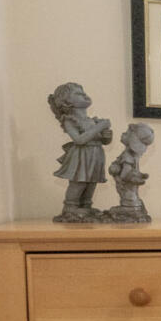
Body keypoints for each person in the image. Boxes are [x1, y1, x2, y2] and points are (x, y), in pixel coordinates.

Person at [47, 82, 113, 222]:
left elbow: (102, 140)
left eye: (83, 92)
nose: (84, 95)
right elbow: (79, 139)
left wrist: (106, 136)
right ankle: (70, 207)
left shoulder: (92, 121)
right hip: (82, 156)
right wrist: (100, 127)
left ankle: (86, 206)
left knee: (91, 182)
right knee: (79, 181)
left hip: (96, 154)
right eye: (78, 94)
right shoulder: (69, 120)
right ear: (66, 102)